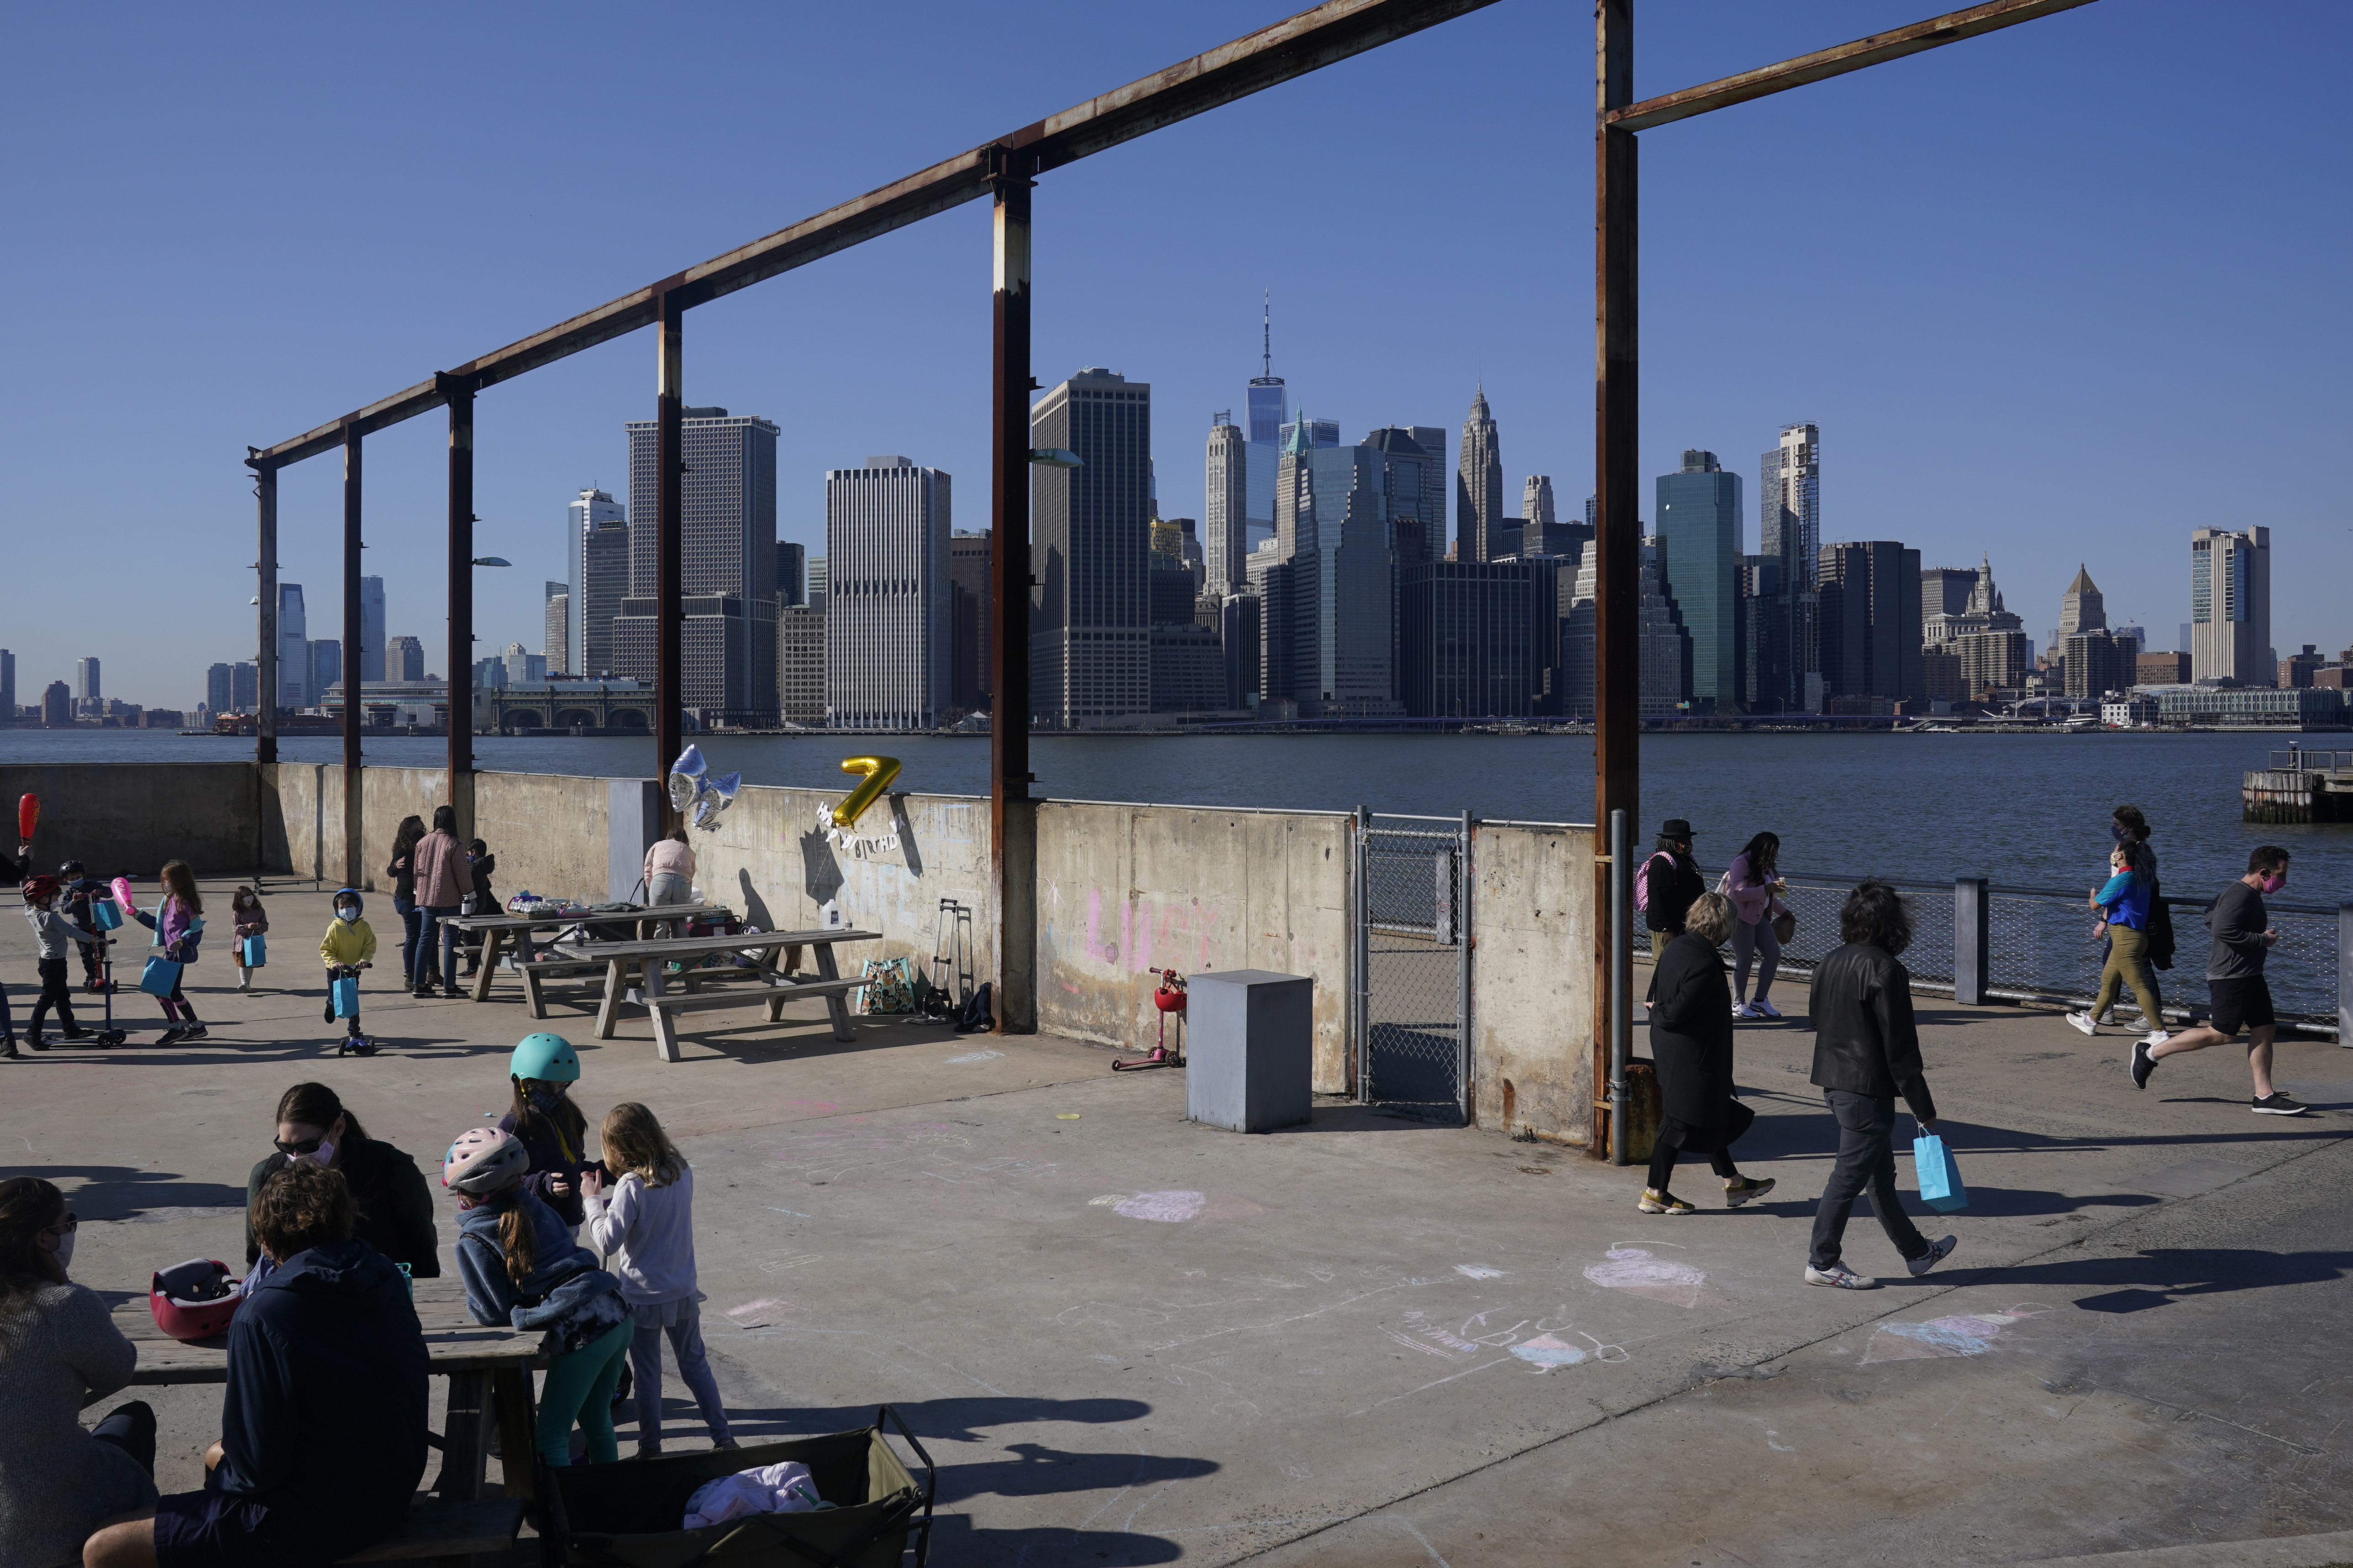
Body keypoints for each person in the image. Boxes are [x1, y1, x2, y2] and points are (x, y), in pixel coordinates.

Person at [82, 1161, 430, 1568]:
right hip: (392, 1486)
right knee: (217, 1455)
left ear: (265, 1240)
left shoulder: (264, 1314)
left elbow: (255, 1470)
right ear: (345, 1218)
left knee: (105, 1546)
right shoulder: (382, 1272)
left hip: (328, 1516)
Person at [1802, 879, 1958, 1289]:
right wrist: (1923, 1107)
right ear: (1892, 924)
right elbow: (1901, 1046)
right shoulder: (1886, 969)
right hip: (1866, 1088)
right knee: (1849, 1177)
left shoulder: (1829, 961)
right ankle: (1822, 1262)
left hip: (1835, 1082)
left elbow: (1817, 1020)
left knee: (1878, 1175)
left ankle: (1917, 1252)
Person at [445, 1127, 632, 1468]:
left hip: (583, 1331)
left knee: (551, 1438)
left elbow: (491, 1312)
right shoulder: (537, 1205)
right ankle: (611, 1500)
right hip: (616, 1308)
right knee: (596, 1421)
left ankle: (562, 1519)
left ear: (466, 1195)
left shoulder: (474, 1237)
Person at [0, 1176, 158, 1568]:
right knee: (134, 1418)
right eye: (67, 1223)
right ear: (43, 1238)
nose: (71, 1232)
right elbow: (116, 1372)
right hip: (53, 1529)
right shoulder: (64, 1305)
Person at [585, 1102, 737, 1456]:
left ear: (620, 1151)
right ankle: (723, 1437)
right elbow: (659, 1217)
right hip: (682, 1288)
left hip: (643, 1297)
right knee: (695, 1363)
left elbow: (608, 1240)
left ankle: (651, 1446)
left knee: (649, 1374)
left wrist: (593, 1202)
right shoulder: (681, 1170)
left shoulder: (630, 1185)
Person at [2132, 846, 2306, 1115]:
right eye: (2281, 874)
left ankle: (2264, 1096)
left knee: (2265, 1028)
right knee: (2222, 1035)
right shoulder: (2240, 894)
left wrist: (2256, 938)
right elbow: (2223, 927)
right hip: (2231, 976)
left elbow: (2211, 916)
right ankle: (2150, 1053)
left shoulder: (2243, 893)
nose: (2283, 880)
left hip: (2250, 974)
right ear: (2264, 872)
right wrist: (2263, 940)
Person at [1638, 893, 1775, 1216]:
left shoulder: (1678, 947)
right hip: (1691, 1055)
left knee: (1705, 1115)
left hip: (1677, 1050)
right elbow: (1675, 1010)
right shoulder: (1703, 962)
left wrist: (1657, 1010)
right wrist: (1657, 1011)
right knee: (1679, 1121)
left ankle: (1734, 1182)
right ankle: (1655, 1192)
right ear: (1723, 926)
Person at [244, 1083, 439, 1281]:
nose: (297, 1156)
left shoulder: (391, 1169)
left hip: (376, 1297)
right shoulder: (267, 1176)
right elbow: (256, 1258)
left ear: (338, 1127)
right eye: (286, 1147)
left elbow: (421, 1245)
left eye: (308, 1146)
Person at [2066, 839, 2167, 1046]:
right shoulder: (2143, 877)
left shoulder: (2122, 879)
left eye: (2115, 851)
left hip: (2123, 937)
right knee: (2108, 980)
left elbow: (2095, 905)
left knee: (2139, 986)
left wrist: (2093, 894)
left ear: (2120, 856)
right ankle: (2091, 1021)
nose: (2112, 854)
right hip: (2138, 936)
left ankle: (2160, 1032)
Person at [500, 1032, 594, 1232]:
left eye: (563, 1087)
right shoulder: (514, 1125)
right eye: (550, 1087)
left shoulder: (570, 1116)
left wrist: (606, 1170)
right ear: (526, 1084)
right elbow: (505, 1182)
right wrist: (542, 1183)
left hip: (569, 1220)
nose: (559, 1094)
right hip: (535, 1223)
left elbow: (574, 1164)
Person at [20, 874, 101, 1052]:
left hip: (48, 962)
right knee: (47, 999)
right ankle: (32, 1033)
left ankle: (70, 1029)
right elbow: (72, 932)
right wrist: (95, 940)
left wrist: (24, 879)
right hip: (54, 964)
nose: (57, 901)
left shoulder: (31, 911)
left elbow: (25, 898)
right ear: (44, 899)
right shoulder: (50, 918)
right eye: (55, 898)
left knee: (62, 997)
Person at [129, 862, 207, 1045]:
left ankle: (178, 1029)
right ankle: (195, 1027)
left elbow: (196, 930)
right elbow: (159, 926)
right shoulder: (168, 901)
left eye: (168, 880)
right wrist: (136, 914)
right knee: (168, 991)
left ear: (180, 881)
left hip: (178, 954)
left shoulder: (186, 903)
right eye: (164, 880)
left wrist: (182, 942)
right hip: (169, 952)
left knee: (164, 990)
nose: (165, 884)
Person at [1723, 831, 1790, 1019]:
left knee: (1773, 954)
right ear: (1762, 849)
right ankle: (1738, 1003)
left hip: (1760, 917)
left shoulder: (1766, 866)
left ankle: (1759, 1001)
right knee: (1745, 959)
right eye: (1772, 852)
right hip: (1741, 917)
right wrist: (1766, 889)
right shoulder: (1742, 863)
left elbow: (1770, 897)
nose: (1774, 857)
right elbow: (1738, 893)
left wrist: (1785, 913)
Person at [409, 807, 472, 1000]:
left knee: (425, 940)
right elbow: (463, 875)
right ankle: (449, 986)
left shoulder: (423, 842)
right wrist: (471, 896)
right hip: (449, 900)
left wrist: (419, 891)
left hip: (426, 899)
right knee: (451, 942)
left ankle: (419, 985)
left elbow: (416, 872)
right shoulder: (454, 844)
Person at [316, 887, 378, 1057]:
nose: (347, 911)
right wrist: (334, 963)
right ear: (337, 910)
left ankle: (354, 1033)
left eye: (350, 907)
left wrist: (365, 960)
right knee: (334, 998)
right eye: (342, 908)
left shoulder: (364, 927)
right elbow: (326, 949)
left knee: (352, 1002)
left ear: (358, 908)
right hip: (336, 970)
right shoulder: (335, 928)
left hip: (353, 969)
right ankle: (330, 1006)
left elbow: (370, 945)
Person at [1640, 818, 1705, 962]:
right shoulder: (1661, 863)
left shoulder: (1688, 861)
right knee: (1667, 968)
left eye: (1690, 840)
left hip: (1687, 925)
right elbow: (1658, 899)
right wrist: (1666, 930)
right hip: (1669, 929)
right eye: (1685, 840)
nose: (1689, 845)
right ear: (1673, 841)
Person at [384, 815, 426, 990]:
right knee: (414, 937)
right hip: (407, 900)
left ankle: (432, 973)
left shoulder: (425, 847)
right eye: (415, 830)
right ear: (406, 832)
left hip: (423, 898)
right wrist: (396, 866)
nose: (419, 833)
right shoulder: (402, 850)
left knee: (427, 937)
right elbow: (390, 870)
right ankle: (410, 976)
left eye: (421, 829)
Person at [59, 862, 110, 996]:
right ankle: (91, 976)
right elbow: (65, 909)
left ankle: (100, 974)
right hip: (81, 928)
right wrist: (74, 901)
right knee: (86, 954)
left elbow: (109, 893)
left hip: (97, 925)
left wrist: (101, 892)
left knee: (101, 951)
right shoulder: (69, 892)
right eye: (72, 879)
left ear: (83, 875)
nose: (76, 880)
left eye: (78, 877)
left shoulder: (92, 886)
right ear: (66, 881)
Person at [459, 840, 496, 978]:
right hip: (479, 903)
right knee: (473, 936)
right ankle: (476, 966)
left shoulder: (474, 868)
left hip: (472, 906)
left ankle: (472, 967)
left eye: (469, 854)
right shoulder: (483, 866)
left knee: (468, 936)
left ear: (474, 852)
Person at [228, 888, 268, 995]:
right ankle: (244, 982)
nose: (247, 898)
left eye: (249, 894)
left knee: (251, 963)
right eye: (243, 896)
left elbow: (265, 925)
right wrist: (247, 926)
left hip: (254, 942)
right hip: (241, 943)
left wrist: (259, 926)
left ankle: (247, 984)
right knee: (242, 963)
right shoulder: (238, 913)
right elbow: (235, 928)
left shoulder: (260, 911)